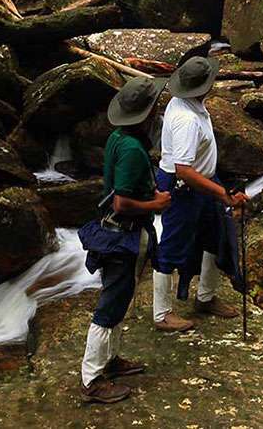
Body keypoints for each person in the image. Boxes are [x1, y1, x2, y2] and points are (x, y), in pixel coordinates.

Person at [76, 76, 173, 404]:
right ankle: (92, 379)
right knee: (111, 304)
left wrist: (149, 192)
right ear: (146, 113)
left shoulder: (120, 137)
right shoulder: (132, 148)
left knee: (120, 299)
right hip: (123, 236)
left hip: (118, 233)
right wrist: (156, 204)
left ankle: (111, 360)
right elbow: (121, 202)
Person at [152, 56, 249, 332]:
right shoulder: (186, 120)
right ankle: (162, 314)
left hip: (205, 180)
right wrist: (223, 193)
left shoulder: (187, 103)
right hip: (184, 187)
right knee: (173, 244)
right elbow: (183, 170)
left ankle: (205, 297)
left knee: (215, 236)